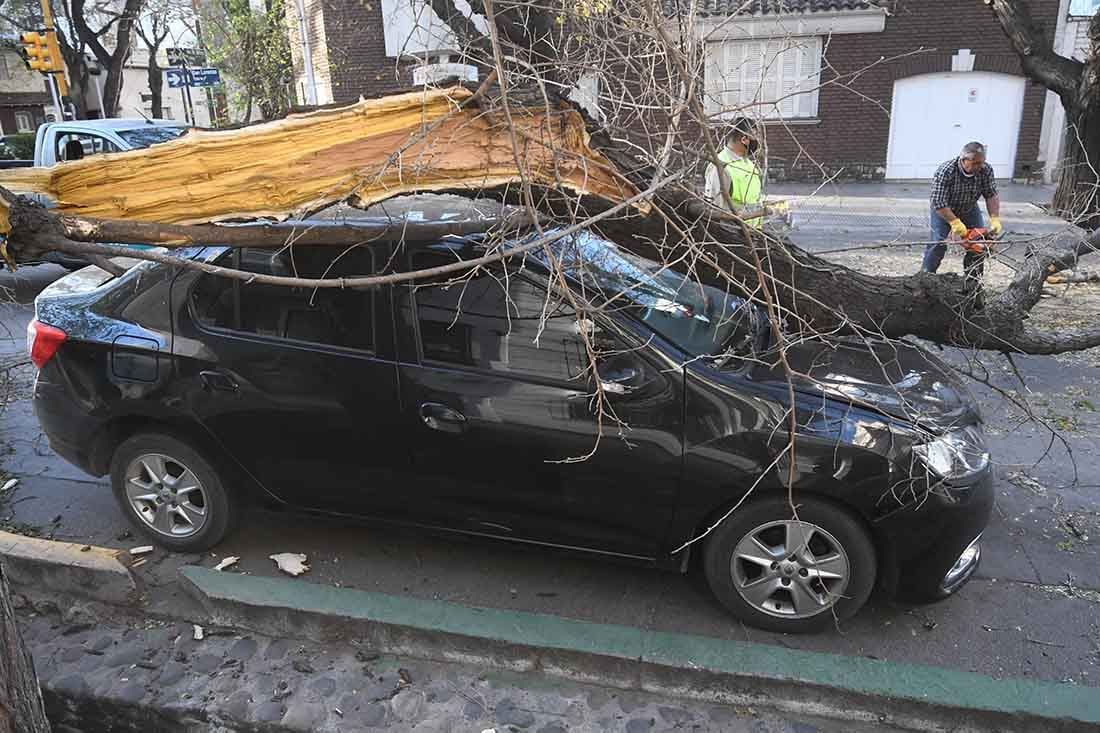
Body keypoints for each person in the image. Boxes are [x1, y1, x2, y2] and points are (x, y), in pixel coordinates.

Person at [923, 141, 1003, 274]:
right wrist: (954, 222)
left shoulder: (986, 170)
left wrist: (994, 218)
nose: (980, 166)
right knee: (938, 243)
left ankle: (973, 283)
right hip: (944, 210)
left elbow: (991, 195)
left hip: (969, 208)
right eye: (976, 163)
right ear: (964, 159)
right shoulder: (946, 171)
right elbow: (938, 202)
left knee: (978, 243)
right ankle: (925, 276)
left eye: (982, 162)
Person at [704, 118, 764, 227]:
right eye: (755, 136)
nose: (758, 141)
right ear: (744, 139)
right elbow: (714, 211)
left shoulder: (748, 164)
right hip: (733, 236)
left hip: (753, 234)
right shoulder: (720, 166)